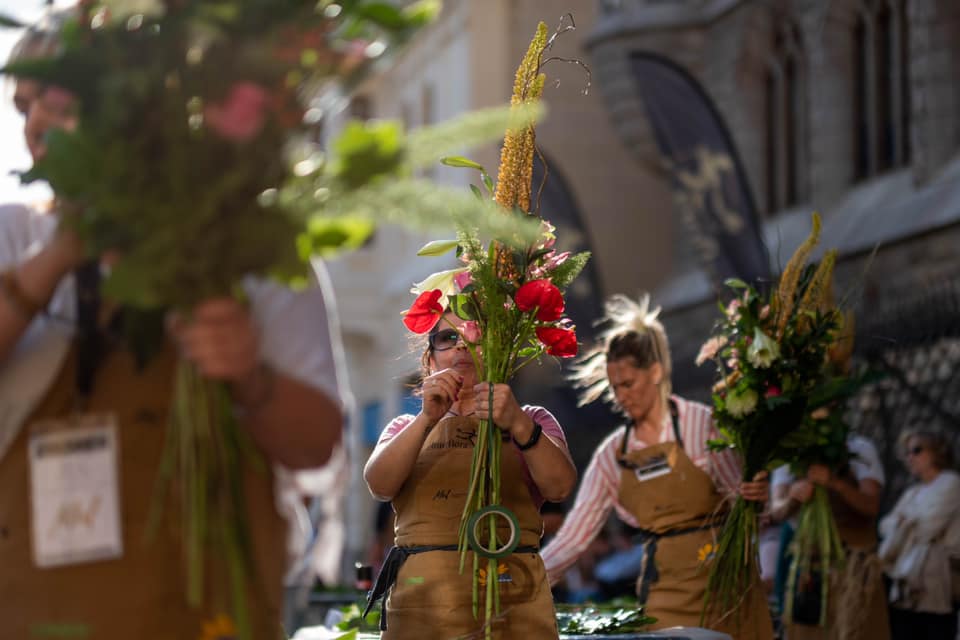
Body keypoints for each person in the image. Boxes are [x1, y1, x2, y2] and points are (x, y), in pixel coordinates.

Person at [0, 12, 346, 638]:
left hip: (206, 609)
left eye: (58, 100)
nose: (35, 124)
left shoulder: (255, 248)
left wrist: (247, 375)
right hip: (30, 608)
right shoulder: (11, 234)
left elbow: (315, 444)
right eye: (23, 105)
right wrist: (52, 262)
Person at [540, 294, 773, 639]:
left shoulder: (701, 425)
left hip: (729, 589)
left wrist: (757, 497)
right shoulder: (612, 455)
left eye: (629, 384)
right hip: (664, 598)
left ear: (656, 372)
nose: (622, 396)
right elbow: (575, 537)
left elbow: (746, 506)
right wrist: (528, 578)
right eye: (616, 387)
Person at [362, 310, 577, 639]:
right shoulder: (405, 427)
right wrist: (426, 419)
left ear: (498, 352)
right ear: (430, 361)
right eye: (448, 339)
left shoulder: (531, 419)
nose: (461, 346)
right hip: (422, 609)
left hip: (513, 603)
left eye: (474, 336)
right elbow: (379, 484)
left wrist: (518, 422)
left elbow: (560, 487)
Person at [770, 433, 890, 640]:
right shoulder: (788, 453)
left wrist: (835, 483)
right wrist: (793, 498)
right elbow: (775, 511)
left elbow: (871, 506)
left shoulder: (858, 448)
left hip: (853, 570)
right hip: (809, 574)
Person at [879, 429, 960, 640]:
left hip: (935, 583)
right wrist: (905, 523)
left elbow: (927, 528)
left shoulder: (950, 482)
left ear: (937, 452)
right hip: (905, 579)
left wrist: (903, 522)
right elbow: (885, 526)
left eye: (916, 450)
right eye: (907, 452)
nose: (910, 457)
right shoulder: (912, 492)